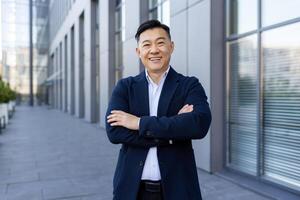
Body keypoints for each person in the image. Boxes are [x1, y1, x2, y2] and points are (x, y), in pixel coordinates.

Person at [106, 19, 211, 200]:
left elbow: (199, 125)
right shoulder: (125, 87)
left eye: (160, 43)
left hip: (179, 189)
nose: (154, 50)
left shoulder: (189, 85)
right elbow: (114, 132)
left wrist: (138, 123)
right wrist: (173, 132)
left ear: (171, 46)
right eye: (147, 45)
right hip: (133, 189)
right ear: (139, 52)